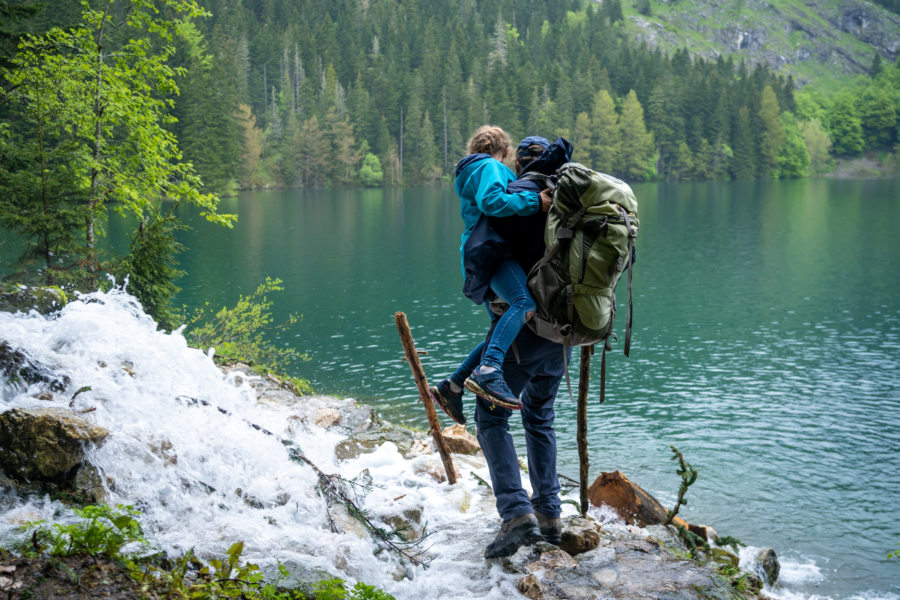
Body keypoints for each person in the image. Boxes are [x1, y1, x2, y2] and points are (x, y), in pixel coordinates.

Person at [430, 126, 552, 422]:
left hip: (478, 249)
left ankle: (453, 386)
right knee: (524, 304)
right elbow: (492, 201)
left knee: (502, 326)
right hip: (491, 250)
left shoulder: (473, 167)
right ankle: (488, 371)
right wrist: (538, 202)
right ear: (507, 152)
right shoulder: (490, 166)